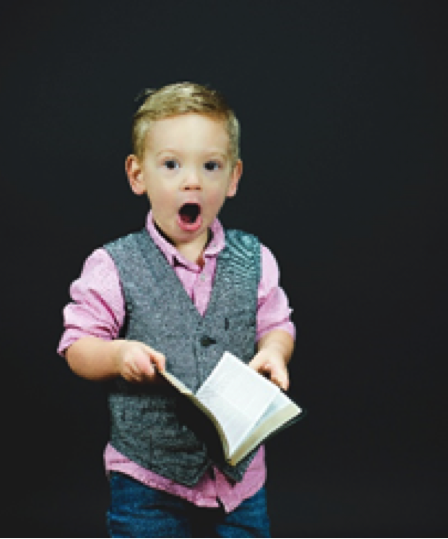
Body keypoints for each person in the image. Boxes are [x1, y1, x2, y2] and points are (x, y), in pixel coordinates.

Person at [57, 82, 296, 538]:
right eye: (171, 165)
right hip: (149, 478)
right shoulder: (114, 265)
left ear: (233, 178)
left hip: (240, 479)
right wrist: (116, 355)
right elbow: (76, 345)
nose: (193, 181)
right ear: (137, 175)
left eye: (211, 166)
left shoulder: (256, 259)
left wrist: (275, 352)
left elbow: (277, 323)